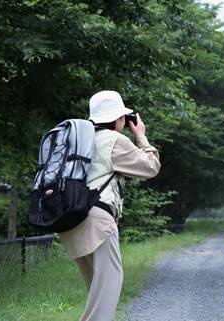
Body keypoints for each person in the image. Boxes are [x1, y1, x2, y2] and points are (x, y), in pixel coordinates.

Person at [58, 90, 161, 321]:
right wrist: (141, 136)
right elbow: (151, 167)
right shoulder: (114, 140)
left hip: (70, 218)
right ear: (118, 119)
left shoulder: (78, 138)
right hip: (97, 220)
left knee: (98, 290)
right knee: (109, 286)